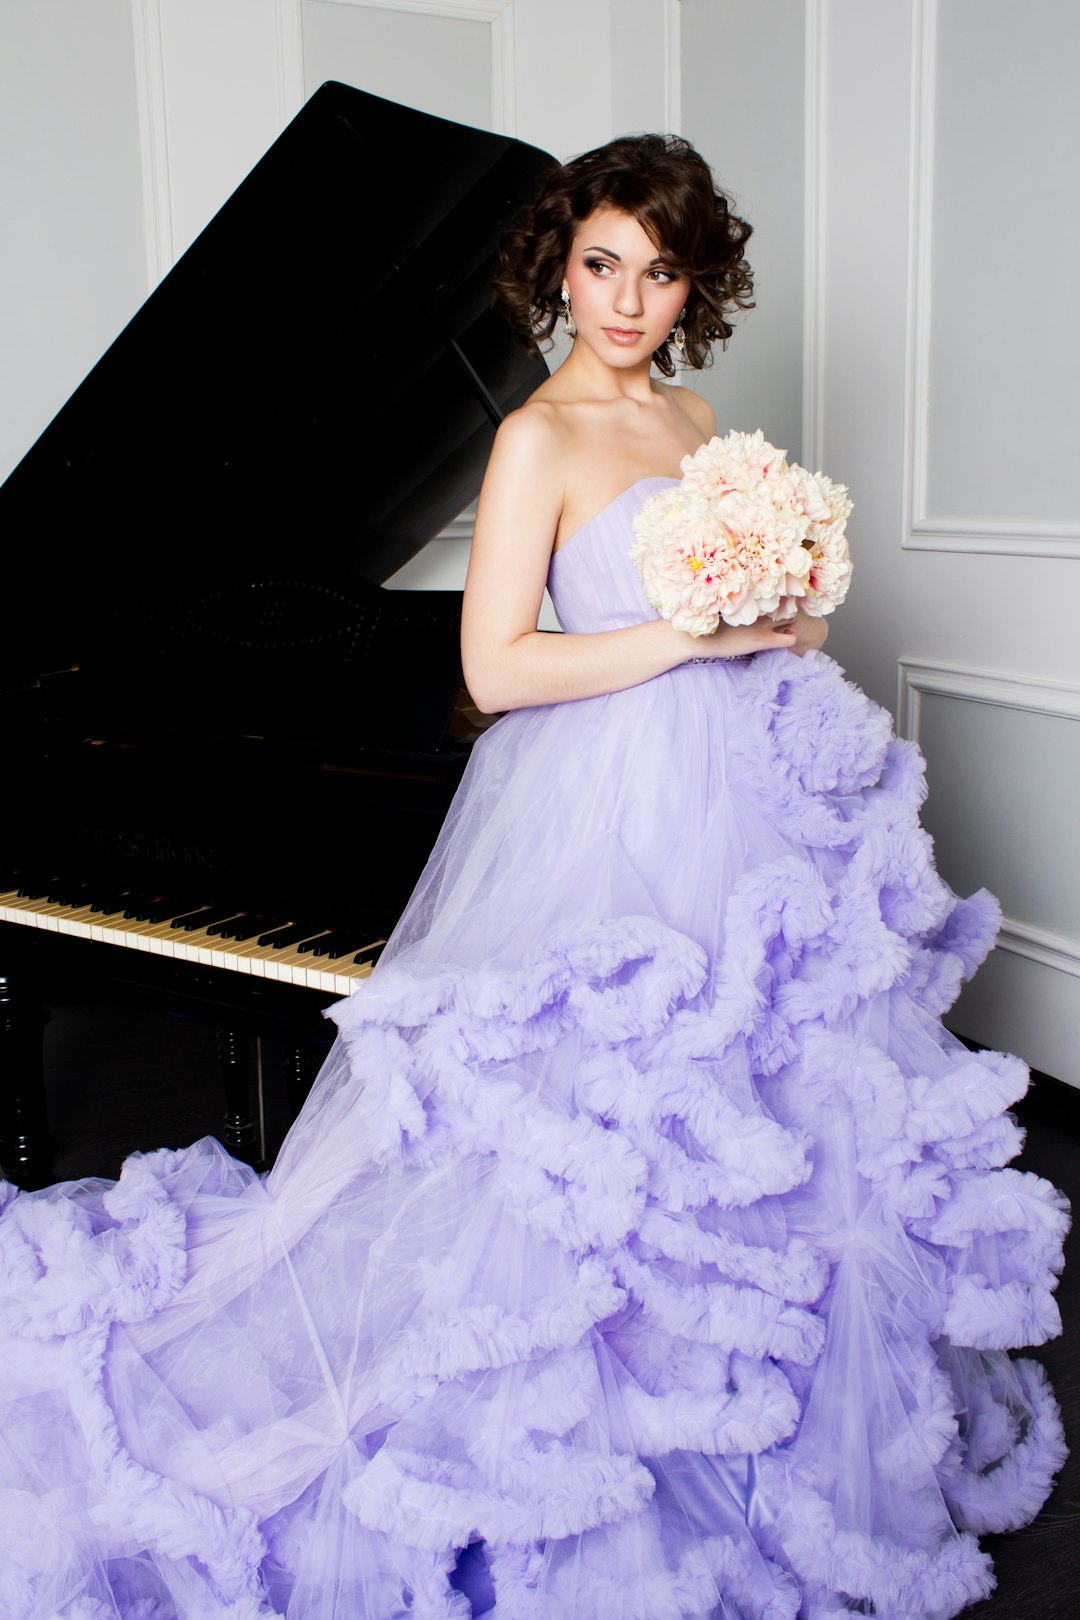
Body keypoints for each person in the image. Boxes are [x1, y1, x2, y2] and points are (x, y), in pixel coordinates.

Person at [0, 133, 1068, 1620]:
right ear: (558, 271)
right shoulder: (536, 438)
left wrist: (782, 608)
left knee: (767, 1094)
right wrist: (690, 633)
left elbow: (758, 615)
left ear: (696, 288)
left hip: (746, 800)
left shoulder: (698, 419)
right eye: (601, 264)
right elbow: (497, 669)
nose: (626, 299)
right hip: (605, 801)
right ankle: (575, 1412)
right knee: (599, 1118)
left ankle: (761, 1398)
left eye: (660, 271)